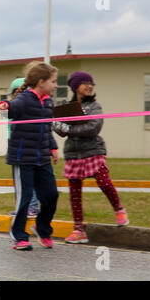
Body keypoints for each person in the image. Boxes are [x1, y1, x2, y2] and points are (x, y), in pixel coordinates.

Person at [52, 71, 129, 244]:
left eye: (91, 83)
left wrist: (69, 129)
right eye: (85, 83)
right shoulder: (66, 106)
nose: (89, 86)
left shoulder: (95, 106)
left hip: (93, 151)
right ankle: (79, 230)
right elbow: (61, 131)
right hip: (73, 153)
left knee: (104, 182)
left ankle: (119, 209)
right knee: (75, 194)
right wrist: (55, 123)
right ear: (75, 86)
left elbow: (93, 128)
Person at [0, 61, 59, 250]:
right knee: (24, 199)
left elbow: (47, 129)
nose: (56, 85)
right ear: (41, 82)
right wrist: (4, 105)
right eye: (54, 81)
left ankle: (42, 229)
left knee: (51, 195)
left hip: (42, 158)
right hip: (23, 158)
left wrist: (53, 148)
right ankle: (19, 236)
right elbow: (11, 108)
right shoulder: (25, 100)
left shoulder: (48, 102)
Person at [7, 78, 40, 217]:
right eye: (15, 91)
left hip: (27, 146)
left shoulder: (28, 106)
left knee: (28, 178)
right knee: (19, 180)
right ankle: (22, 206)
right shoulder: (14, 107)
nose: (18, 93)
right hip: (15, 146)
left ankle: (32, 206)